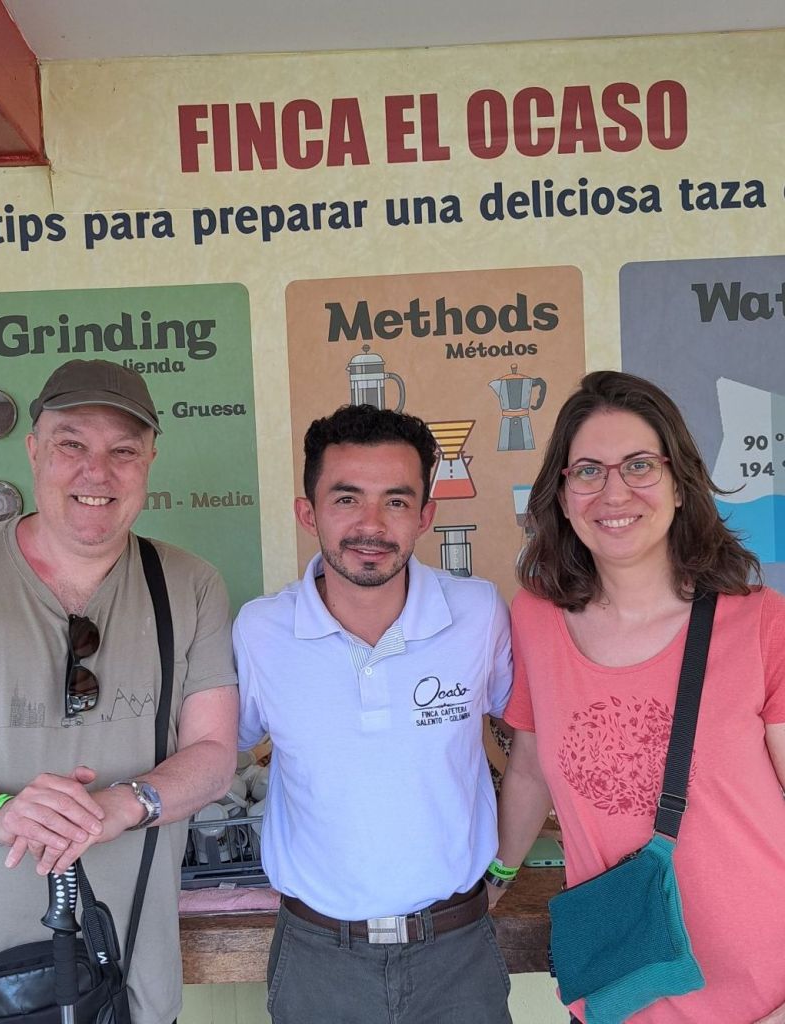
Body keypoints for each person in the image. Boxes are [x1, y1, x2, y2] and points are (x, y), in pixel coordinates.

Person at [0, 359, 238, 1024]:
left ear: (150, 458)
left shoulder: (190, 584)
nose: (97, 473)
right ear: (33, 451)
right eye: (71, 445)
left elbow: (213, 754)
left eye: (123, 451)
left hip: (132, 984)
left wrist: (123, 805)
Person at [492, 370, 785, 1024]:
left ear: (679, 484)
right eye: (588, 471)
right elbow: (531, 769)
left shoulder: (760, 622)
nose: (614, 492)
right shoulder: (536, 619)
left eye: (639, 465)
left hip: (764, 994)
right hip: (617, 994)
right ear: (563, 495)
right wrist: (494, 881)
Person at [234, 404, 514, 1024]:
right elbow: (216, 751)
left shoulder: (478, 613)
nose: (371, 525)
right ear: (308, 514)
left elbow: (532, 741)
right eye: (346, 499)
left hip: (457, 951)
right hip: (318, 958)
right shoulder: (260, 630)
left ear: (425, 516)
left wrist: (502, 869)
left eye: (396, 501)